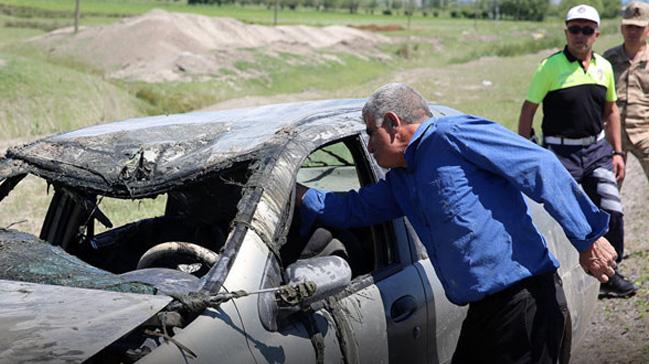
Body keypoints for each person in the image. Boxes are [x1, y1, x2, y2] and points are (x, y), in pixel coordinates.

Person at [296, 82, 618, 363]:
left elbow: (540, 165)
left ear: (393, 123)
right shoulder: (401, 180)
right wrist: (296, 194)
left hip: (525, 303)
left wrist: (588, 238)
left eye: (370, 133)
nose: (368, 145)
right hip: (483, 313)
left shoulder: (452, 136)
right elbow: (353, 208)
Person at [518, 4, 637, 298]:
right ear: (566, 32)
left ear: (596, 35)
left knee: (612, 210)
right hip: (559, 154)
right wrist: (526, 148)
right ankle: (555, 278)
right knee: (560, 214)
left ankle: (609, 273)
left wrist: (618, 153)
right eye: (575, 29)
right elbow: (528, 110)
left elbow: (611, 111)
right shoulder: (549, 67)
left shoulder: (604, 67)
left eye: (586, 30)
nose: (580, 36)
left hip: (596, 151)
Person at [603, 2, 649, 182]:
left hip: (645, 132)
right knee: (607, 191)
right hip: (613, 136)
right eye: (629, 27)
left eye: (638, 28)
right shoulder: (608, 59)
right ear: (622, 28)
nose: (633, 32)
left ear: (648, 30)